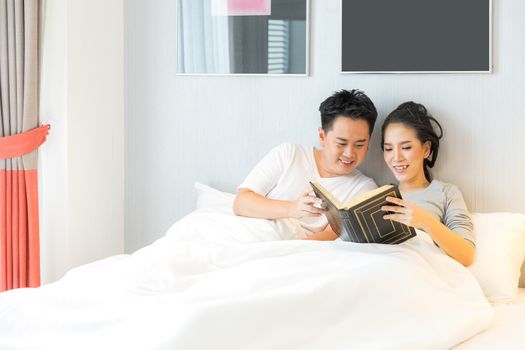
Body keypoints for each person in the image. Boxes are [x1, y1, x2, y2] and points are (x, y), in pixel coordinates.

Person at [233, 89, 378, 240]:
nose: (349, 153)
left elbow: (330, 235)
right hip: (250, 233)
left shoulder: (365, 190)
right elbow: (241, 203)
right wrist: (291, 209)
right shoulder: (289, 154)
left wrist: (284, 253)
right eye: (341, 143)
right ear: (322, 136)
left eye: (359, 145)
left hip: (292, 249)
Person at [380, 102, 475, 266]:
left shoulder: (446, 193)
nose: (396, 157)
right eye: (388, 149)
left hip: (419, 275)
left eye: (406, 147)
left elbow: (466, 255)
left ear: (426, 150)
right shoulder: (378, 195)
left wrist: (425, 221)